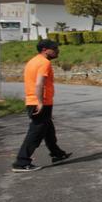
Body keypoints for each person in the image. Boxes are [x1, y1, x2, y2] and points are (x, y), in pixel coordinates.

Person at [11, 39, 72, 172]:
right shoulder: (44, 63)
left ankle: (57, 153)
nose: (57, 50)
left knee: (48, 129)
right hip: (39, 102)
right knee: (36, 133)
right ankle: (21, 162)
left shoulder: (34, 61)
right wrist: (40, 102)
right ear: (45, 50)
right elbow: (39, 84)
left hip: (36, 101)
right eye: (54, 48)